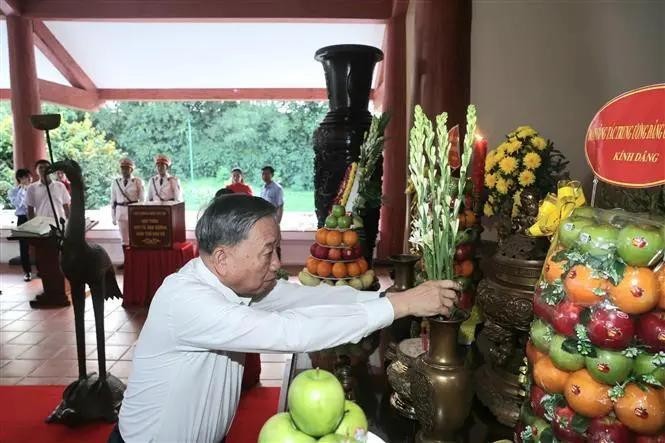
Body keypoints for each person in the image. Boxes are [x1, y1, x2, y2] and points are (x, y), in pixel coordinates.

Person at [113, 194, 459, 443]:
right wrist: (400, 307)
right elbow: (292, 331)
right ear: (222, 258)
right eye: (268, 252)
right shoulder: (187, 301)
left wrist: (387, 298)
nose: (278, 264)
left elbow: (308, 297)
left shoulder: (236, 286)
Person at [111, 158, 145, 248]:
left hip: (133, 212)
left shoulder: (137, 181)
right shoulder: (116, 182)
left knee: (135, 237)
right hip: (120, 211)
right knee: (124, 240)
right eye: (122, 168)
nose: (124, 171)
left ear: (131, 169)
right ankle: (126, 259)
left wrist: (141, 214)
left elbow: (142, 200)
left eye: (127, 168)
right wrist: (113, 216)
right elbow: (113, 200)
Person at [26, 159, 71, 223]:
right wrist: (32, 224)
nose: (44, 169)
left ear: (51, 170)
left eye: (47, 167)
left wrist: (69, 222)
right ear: (36, 171)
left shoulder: (60, 186)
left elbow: (66, 206)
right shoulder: (32, 188)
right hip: (41, 223)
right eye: (41, 167)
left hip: (60, 222)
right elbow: (30, 209)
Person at [8, 168, 33, 281]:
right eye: (24, 177)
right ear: (19, 179)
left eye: (28, 176)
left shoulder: (36, 188)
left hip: (36, 217)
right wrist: (23, 190)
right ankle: (27, 272)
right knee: (24, 246)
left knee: (43, 244)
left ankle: (43, 270)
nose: (27, 179)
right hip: (23, 219)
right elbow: (18, 204)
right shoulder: (14, 191)